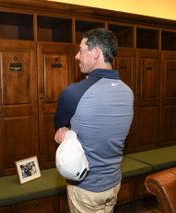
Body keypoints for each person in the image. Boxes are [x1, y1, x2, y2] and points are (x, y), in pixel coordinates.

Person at [54, 27, 134, 213]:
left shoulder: (73, 92)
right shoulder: (128, 92)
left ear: (95, 52)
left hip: (85, 188)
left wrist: (65, 133)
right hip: (113, 184)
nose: (76, 56)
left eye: (81, 50)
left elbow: (59, 130)